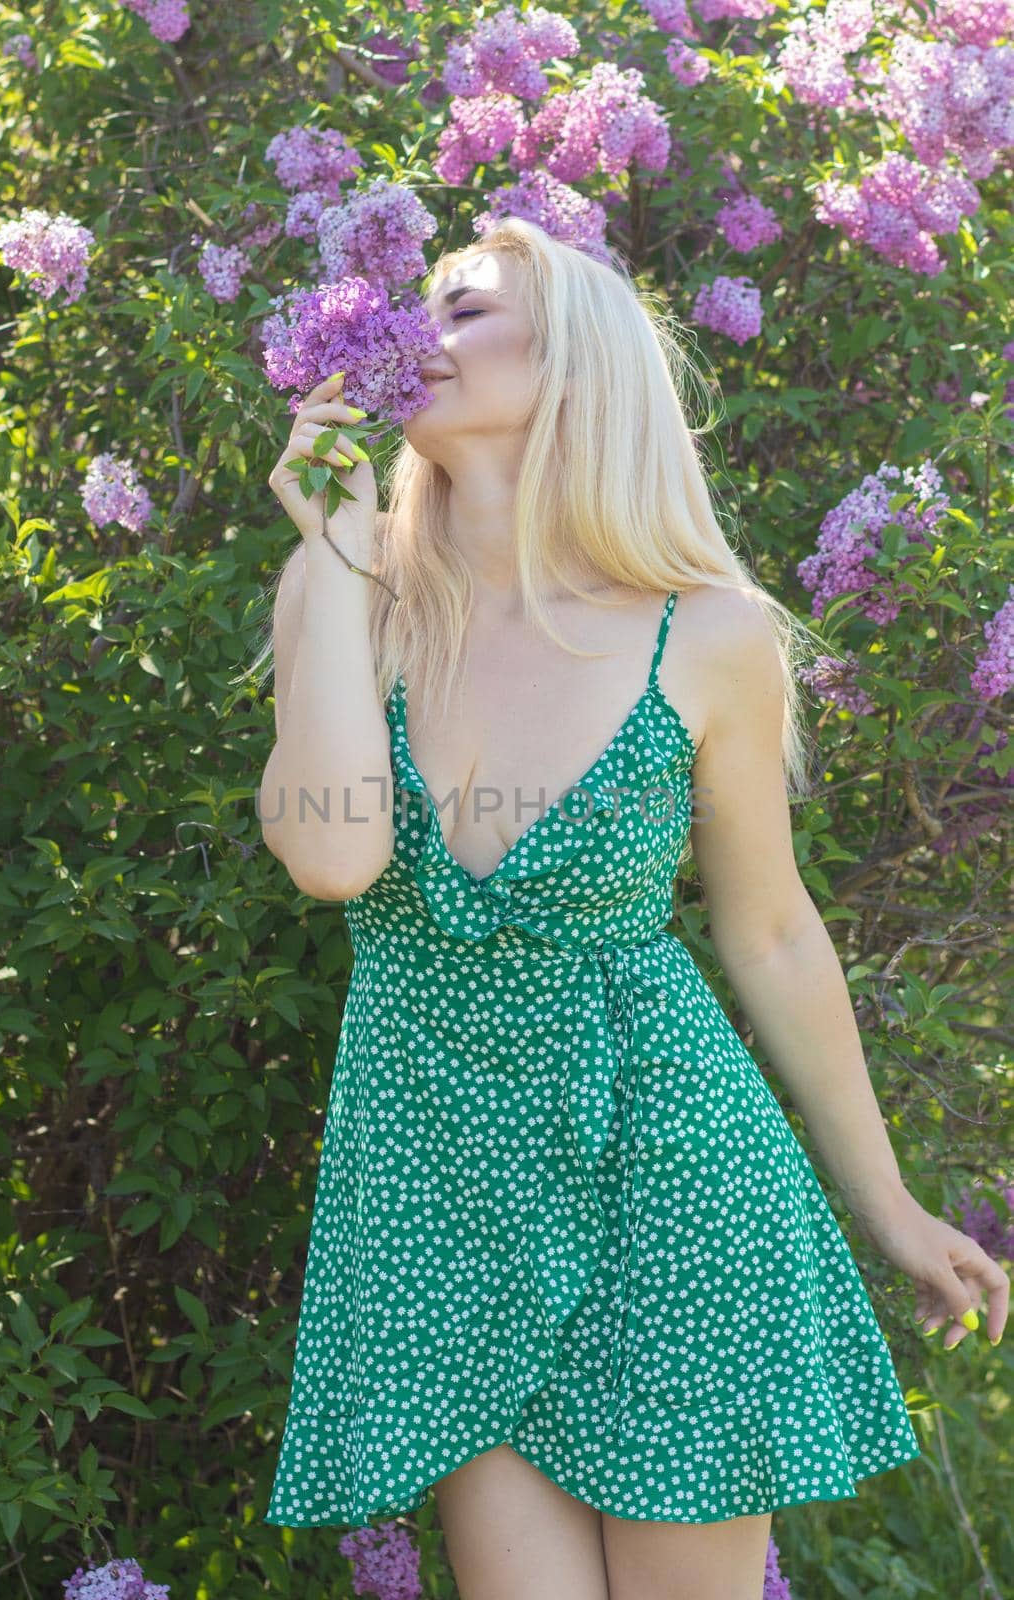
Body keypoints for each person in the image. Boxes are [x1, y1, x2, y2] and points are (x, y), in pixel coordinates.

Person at [255, 217, 1009, 1600]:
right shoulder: (356, 596)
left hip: (673, 1182)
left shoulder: (707, 633)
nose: (415, 333)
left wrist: (888, 1202)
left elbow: (771, 930)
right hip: (445, 1194)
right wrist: (331, 554)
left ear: (573, 368)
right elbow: (335, 860)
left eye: (465, 309)